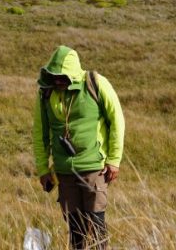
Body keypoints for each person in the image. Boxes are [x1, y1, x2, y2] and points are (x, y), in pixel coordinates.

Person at [33, 45, 125, 250]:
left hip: (94, 168)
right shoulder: (45, 93)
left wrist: (114, 160)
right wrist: (43, 169)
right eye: (54, 76)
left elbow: (117, 121)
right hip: (64, 171)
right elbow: (40, 133)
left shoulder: (95, 83)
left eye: (62, 77)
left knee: (96, 223)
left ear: (73, 74)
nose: (58, 81)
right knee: (75, 228)